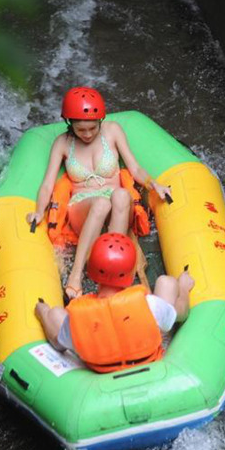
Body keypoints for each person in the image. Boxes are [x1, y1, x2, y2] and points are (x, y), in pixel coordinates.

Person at [26, 87, 171, 300]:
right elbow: (48, 184)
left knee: (121, 195)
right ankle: (75, 276)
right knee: (101, 204)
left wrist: (154, 184)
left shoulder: (113, 131)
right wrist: (39, 211)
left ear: (100, 121)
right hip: (83, 205)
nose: (87, 134)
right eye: (81, 130)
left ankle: (116, 267)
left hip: (117, 202)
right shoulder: (62, 144)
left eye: (92, 128)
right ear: (70, 124)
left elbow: (135, 168)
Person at [35, 233, 194, 373]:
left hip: (102, 372)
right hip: (148, 363)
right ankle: (182, 286)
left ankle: (45, 310)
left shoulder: (77, 318)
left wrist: (43, 312)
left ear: (91, 273)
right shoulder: (149, 305)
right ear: (131, 275)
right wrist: (184, 289)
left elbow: (57, 343)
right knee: (167, 283)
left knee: (55, 313)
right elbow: (183, 312)